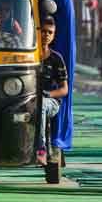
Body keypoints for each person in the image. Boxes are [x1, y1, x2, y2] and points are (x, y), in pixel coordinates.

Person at [46, 0, 79, 153]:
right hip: (67, 51)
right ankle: (60, 139)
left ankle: (56, 139)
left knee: (57, 92)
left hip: (59, 51)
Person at [36, 15, 69, 165]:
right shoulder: (28, 55)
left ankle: (41, 149)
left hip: (50, 102)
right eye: (43, 31)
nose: (46, 35)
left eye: (50, 32)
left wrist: (48, 94)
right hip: (27, 99)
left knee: (41, 105)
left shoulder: (57, 59)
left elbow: (64, 89)